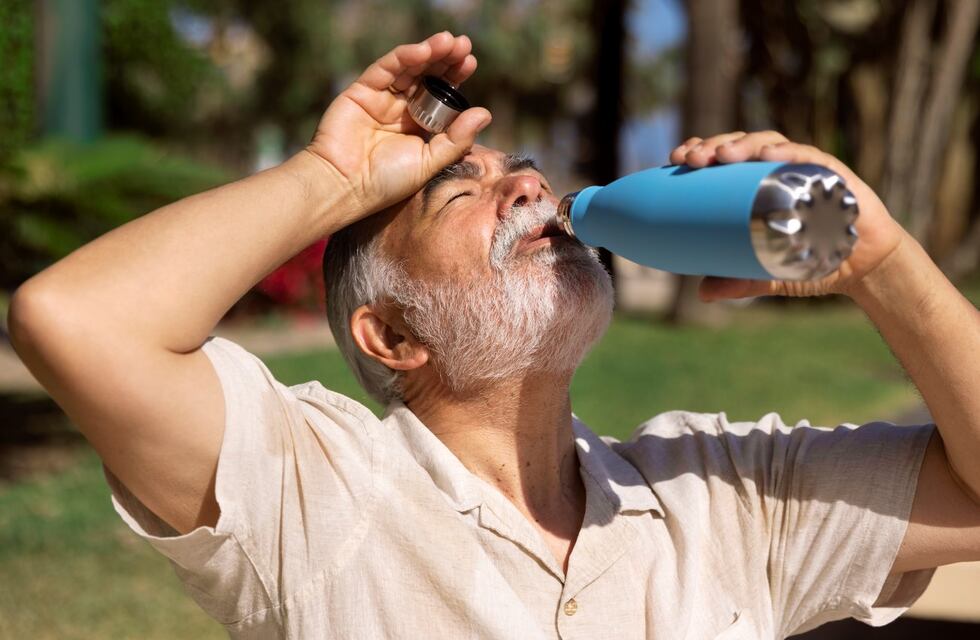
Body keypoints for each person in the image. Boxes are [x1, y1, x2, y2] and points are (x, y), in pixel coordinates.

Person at [8, 31, 980, 639]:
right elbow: (77, 321)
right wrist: (333, 179)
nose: (528, 186)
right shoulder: (313, 493)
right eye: (459, 193)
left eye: (520, 171)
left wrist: (875, 256)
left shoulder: (725, 495)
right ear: (390, 335)